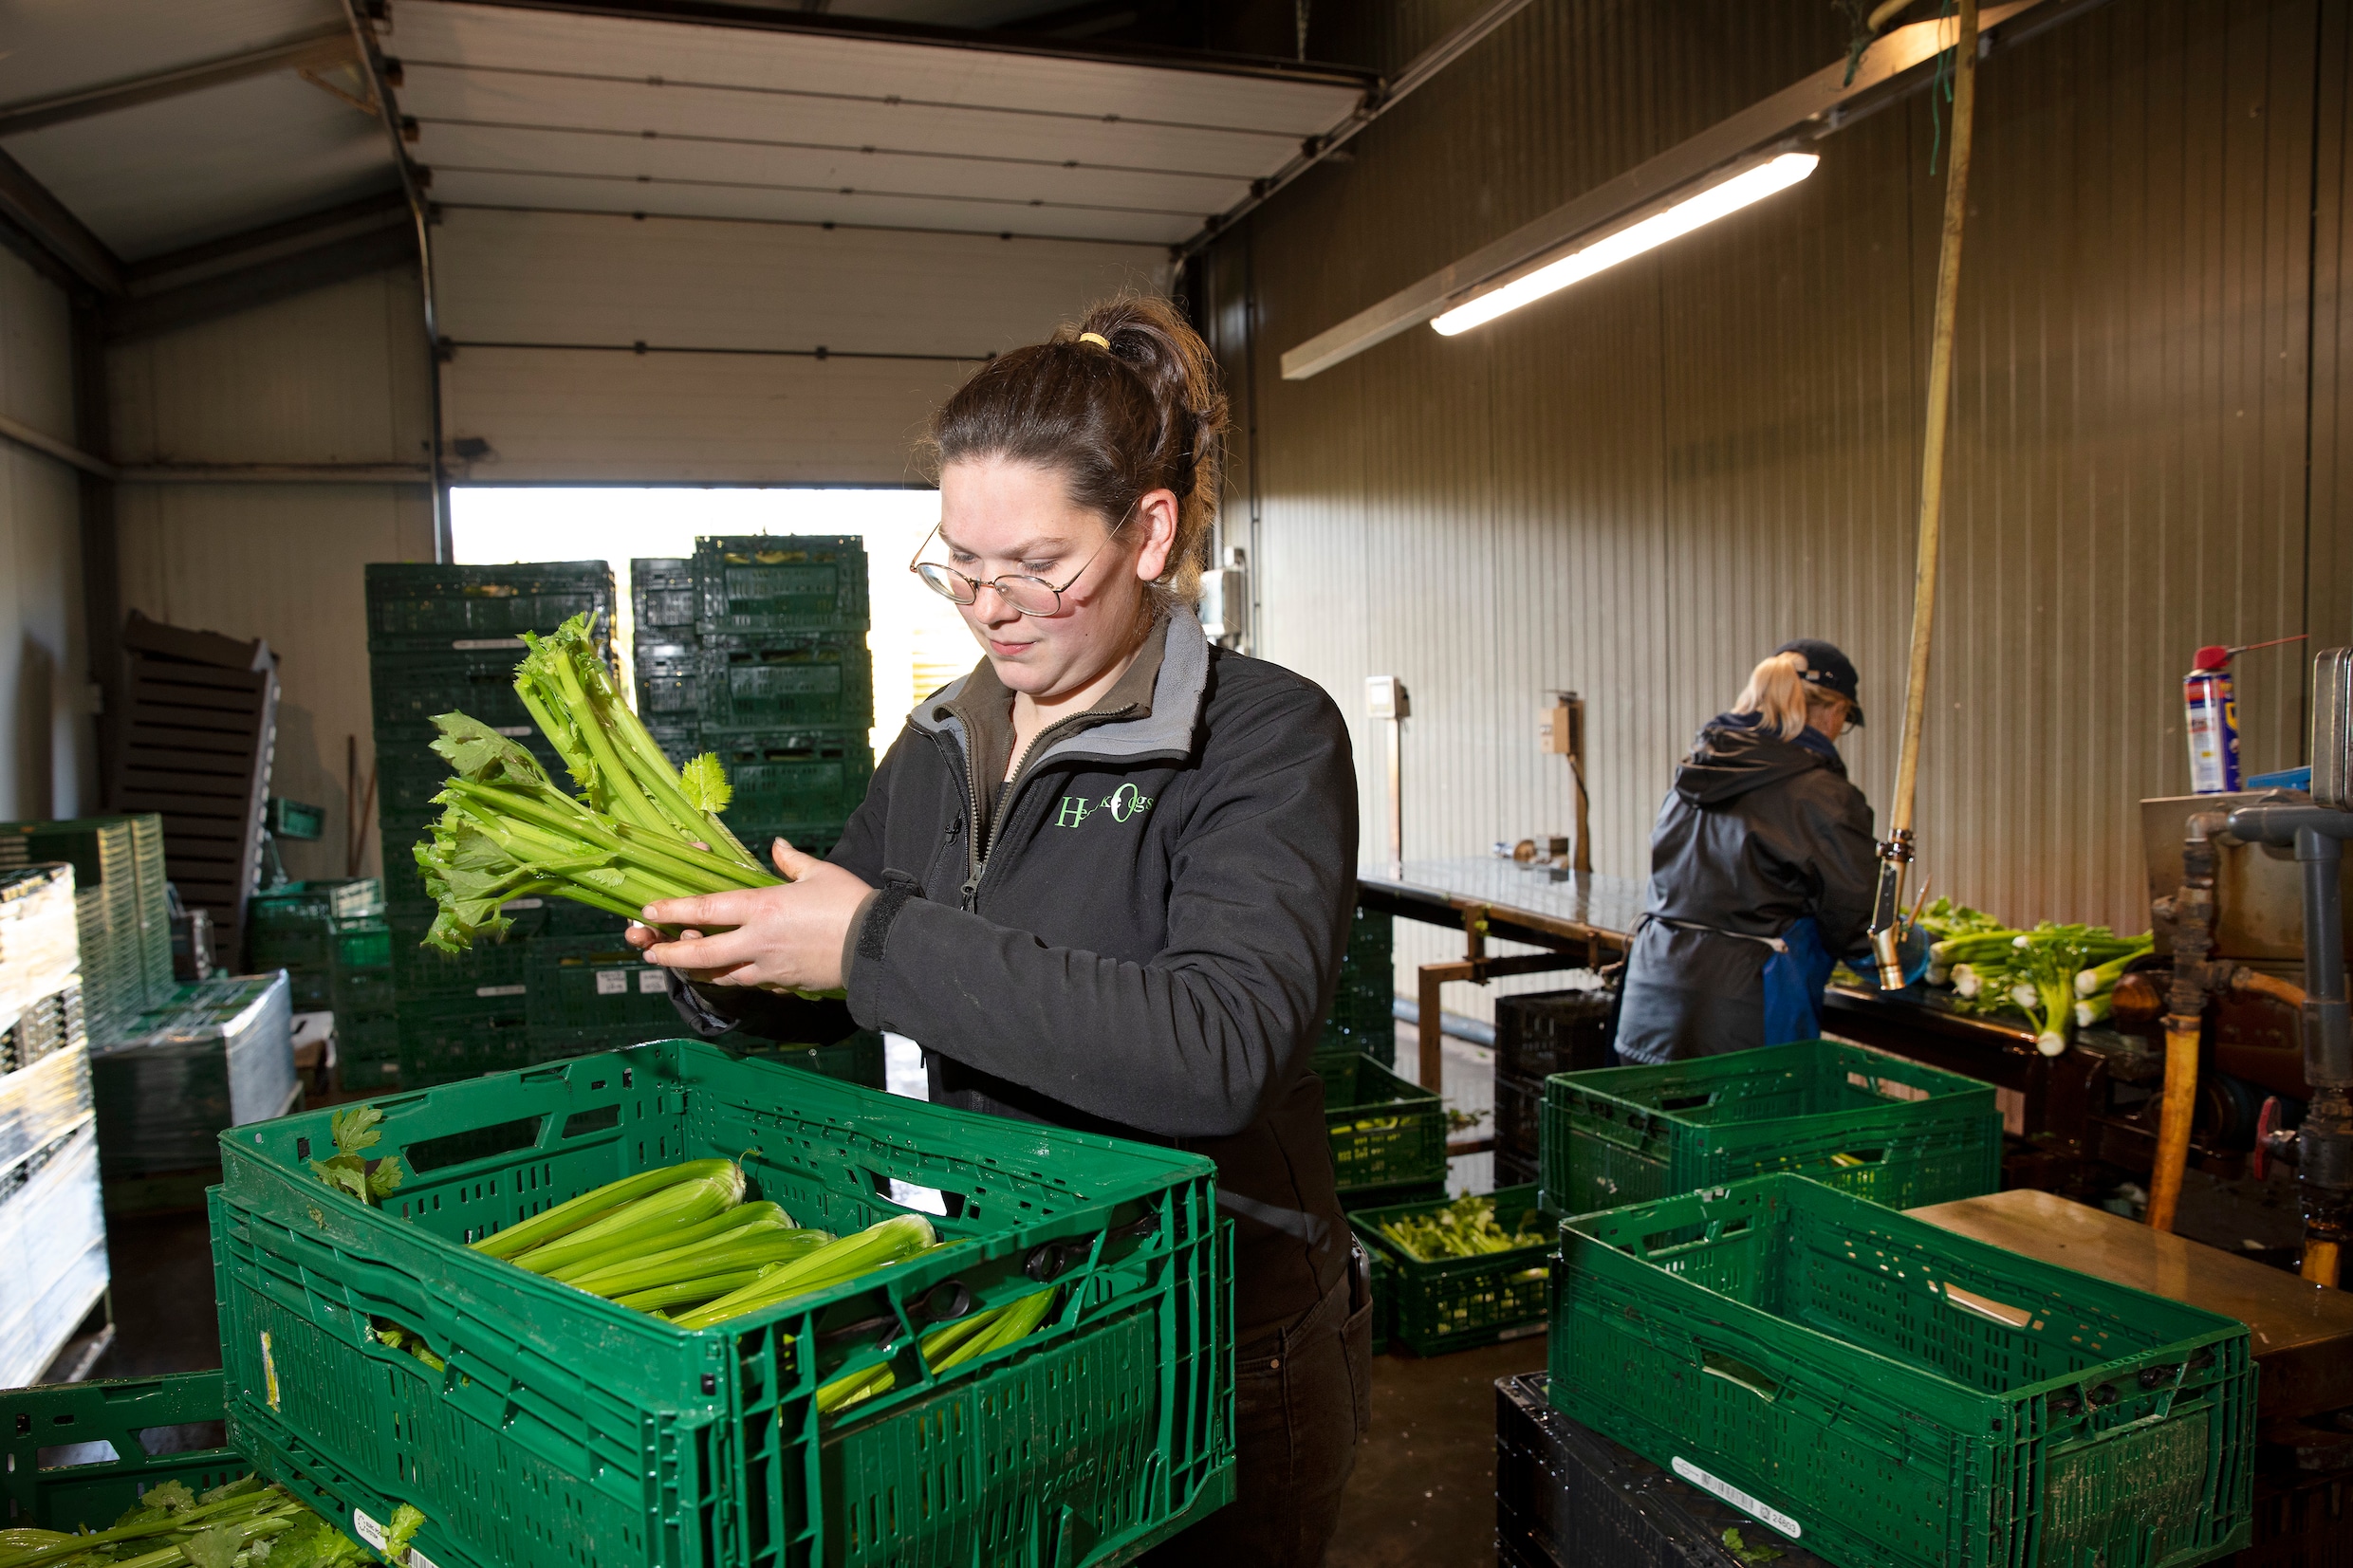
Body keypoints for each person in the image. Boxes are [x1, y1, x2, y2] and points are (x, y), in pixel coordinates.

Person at [624, 297, 1371, 1566]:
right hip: (1009, 1302)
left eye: (1037, 564)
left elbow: (1223, 1045)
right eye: (962, 565)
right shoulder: (937, 741)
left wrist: (869, 948)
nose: (993, 606)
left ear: (1148, 532)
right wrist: (738, 962)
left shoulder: (1261, 738)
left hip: (1213, 1334)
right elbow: (854, 932)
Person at [1614, 640, 1878, 1063]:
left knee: (1663, 1127)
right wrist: (1912, 952)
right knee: (1751, 1129)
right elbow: (1855, 925)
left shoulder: (1695, 771)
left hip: (1650, 1002)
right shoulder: (1821, 795)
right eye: (1844, 718)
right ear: (1833, 711)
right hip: (1744, 1023)